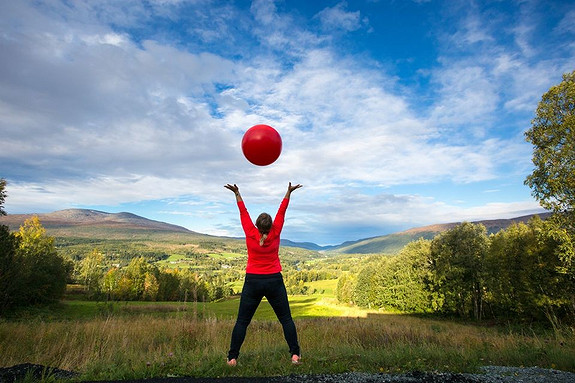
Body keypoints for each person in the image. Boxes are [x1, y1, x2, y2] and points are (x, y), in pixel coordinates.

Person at [224, 182, 303, 367]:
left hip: (253, 281)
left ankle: (232, 358)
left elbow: (242, 212)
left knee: (242, 322)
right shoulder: (276, 232)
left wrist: (237, 193)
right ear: (271, 225)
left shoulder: (250, 232)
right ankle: (295, 356)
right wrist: (288, 192)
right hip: (274, 280)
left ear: (257, 225)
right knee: (286, 320)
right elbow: (282, 211)